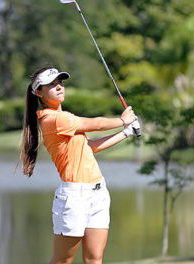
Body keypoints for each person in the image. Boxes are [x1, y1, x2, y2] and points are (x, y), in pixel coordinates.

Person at [17, 66, 138, 264]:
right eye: (51, 85)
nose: (59, 87)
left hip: (98, 193)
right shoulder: (54, 119)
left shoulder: (65, 119)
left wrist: (126, 132)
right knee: (62, 261)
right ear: (38, 92)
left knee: (94, 259)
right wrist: (122, 120)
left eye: (60, 83)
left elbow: (89, 147)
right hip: (74, 198)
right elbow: (97, 123)